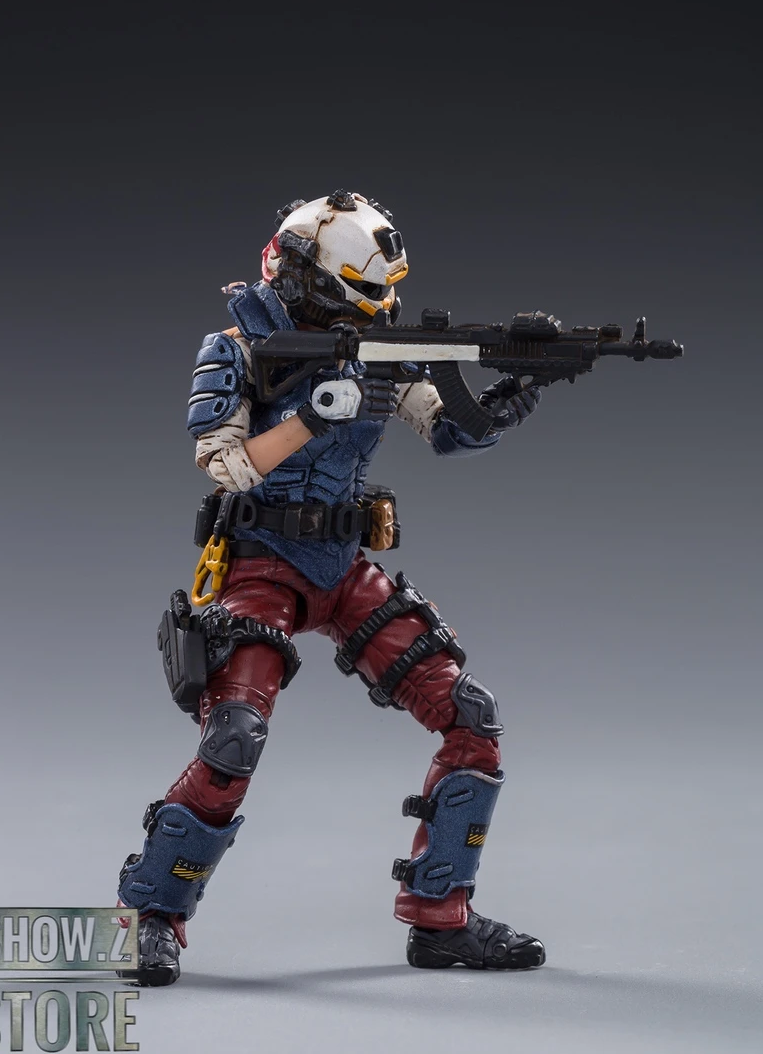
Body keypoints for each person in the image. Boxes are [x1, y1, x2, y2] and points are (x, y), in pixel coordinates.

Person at [117, 190, 545, 985]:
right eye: (362, 292)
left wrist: (508, 399)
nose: (379, 308)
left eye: (383, 294)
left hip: (344, 567)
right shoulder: (239, 347)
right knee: (233, 736)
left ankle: (441, 917)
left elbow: (447, 429)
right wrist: (310, 419)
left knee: (470, 717)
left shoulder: (378, 351)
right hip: (260, 563)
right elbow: (223, 462)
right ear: (310, 278)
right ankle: (149, 917)